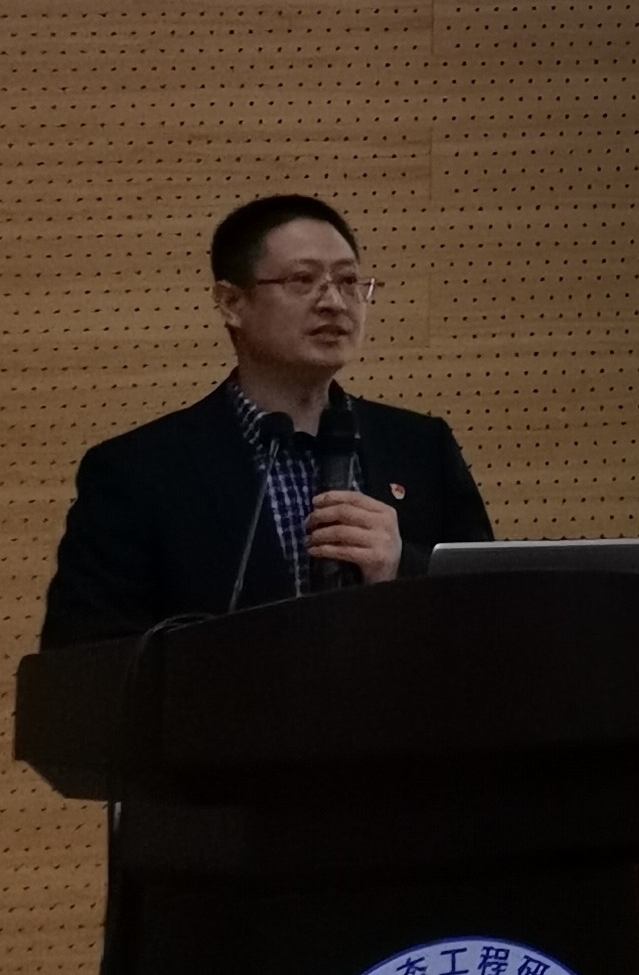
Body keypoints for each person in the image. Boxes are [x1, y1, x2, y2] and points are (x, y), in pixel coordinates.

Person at [41, 196, 493, 647]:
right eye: (303, 280)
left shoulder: (421, 447)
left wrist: (401, 568)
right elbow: (83, 658)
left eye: (348, 280)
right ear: (232, 303)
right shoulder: (137, 473)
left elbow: (496, 612)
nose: (334, 302)